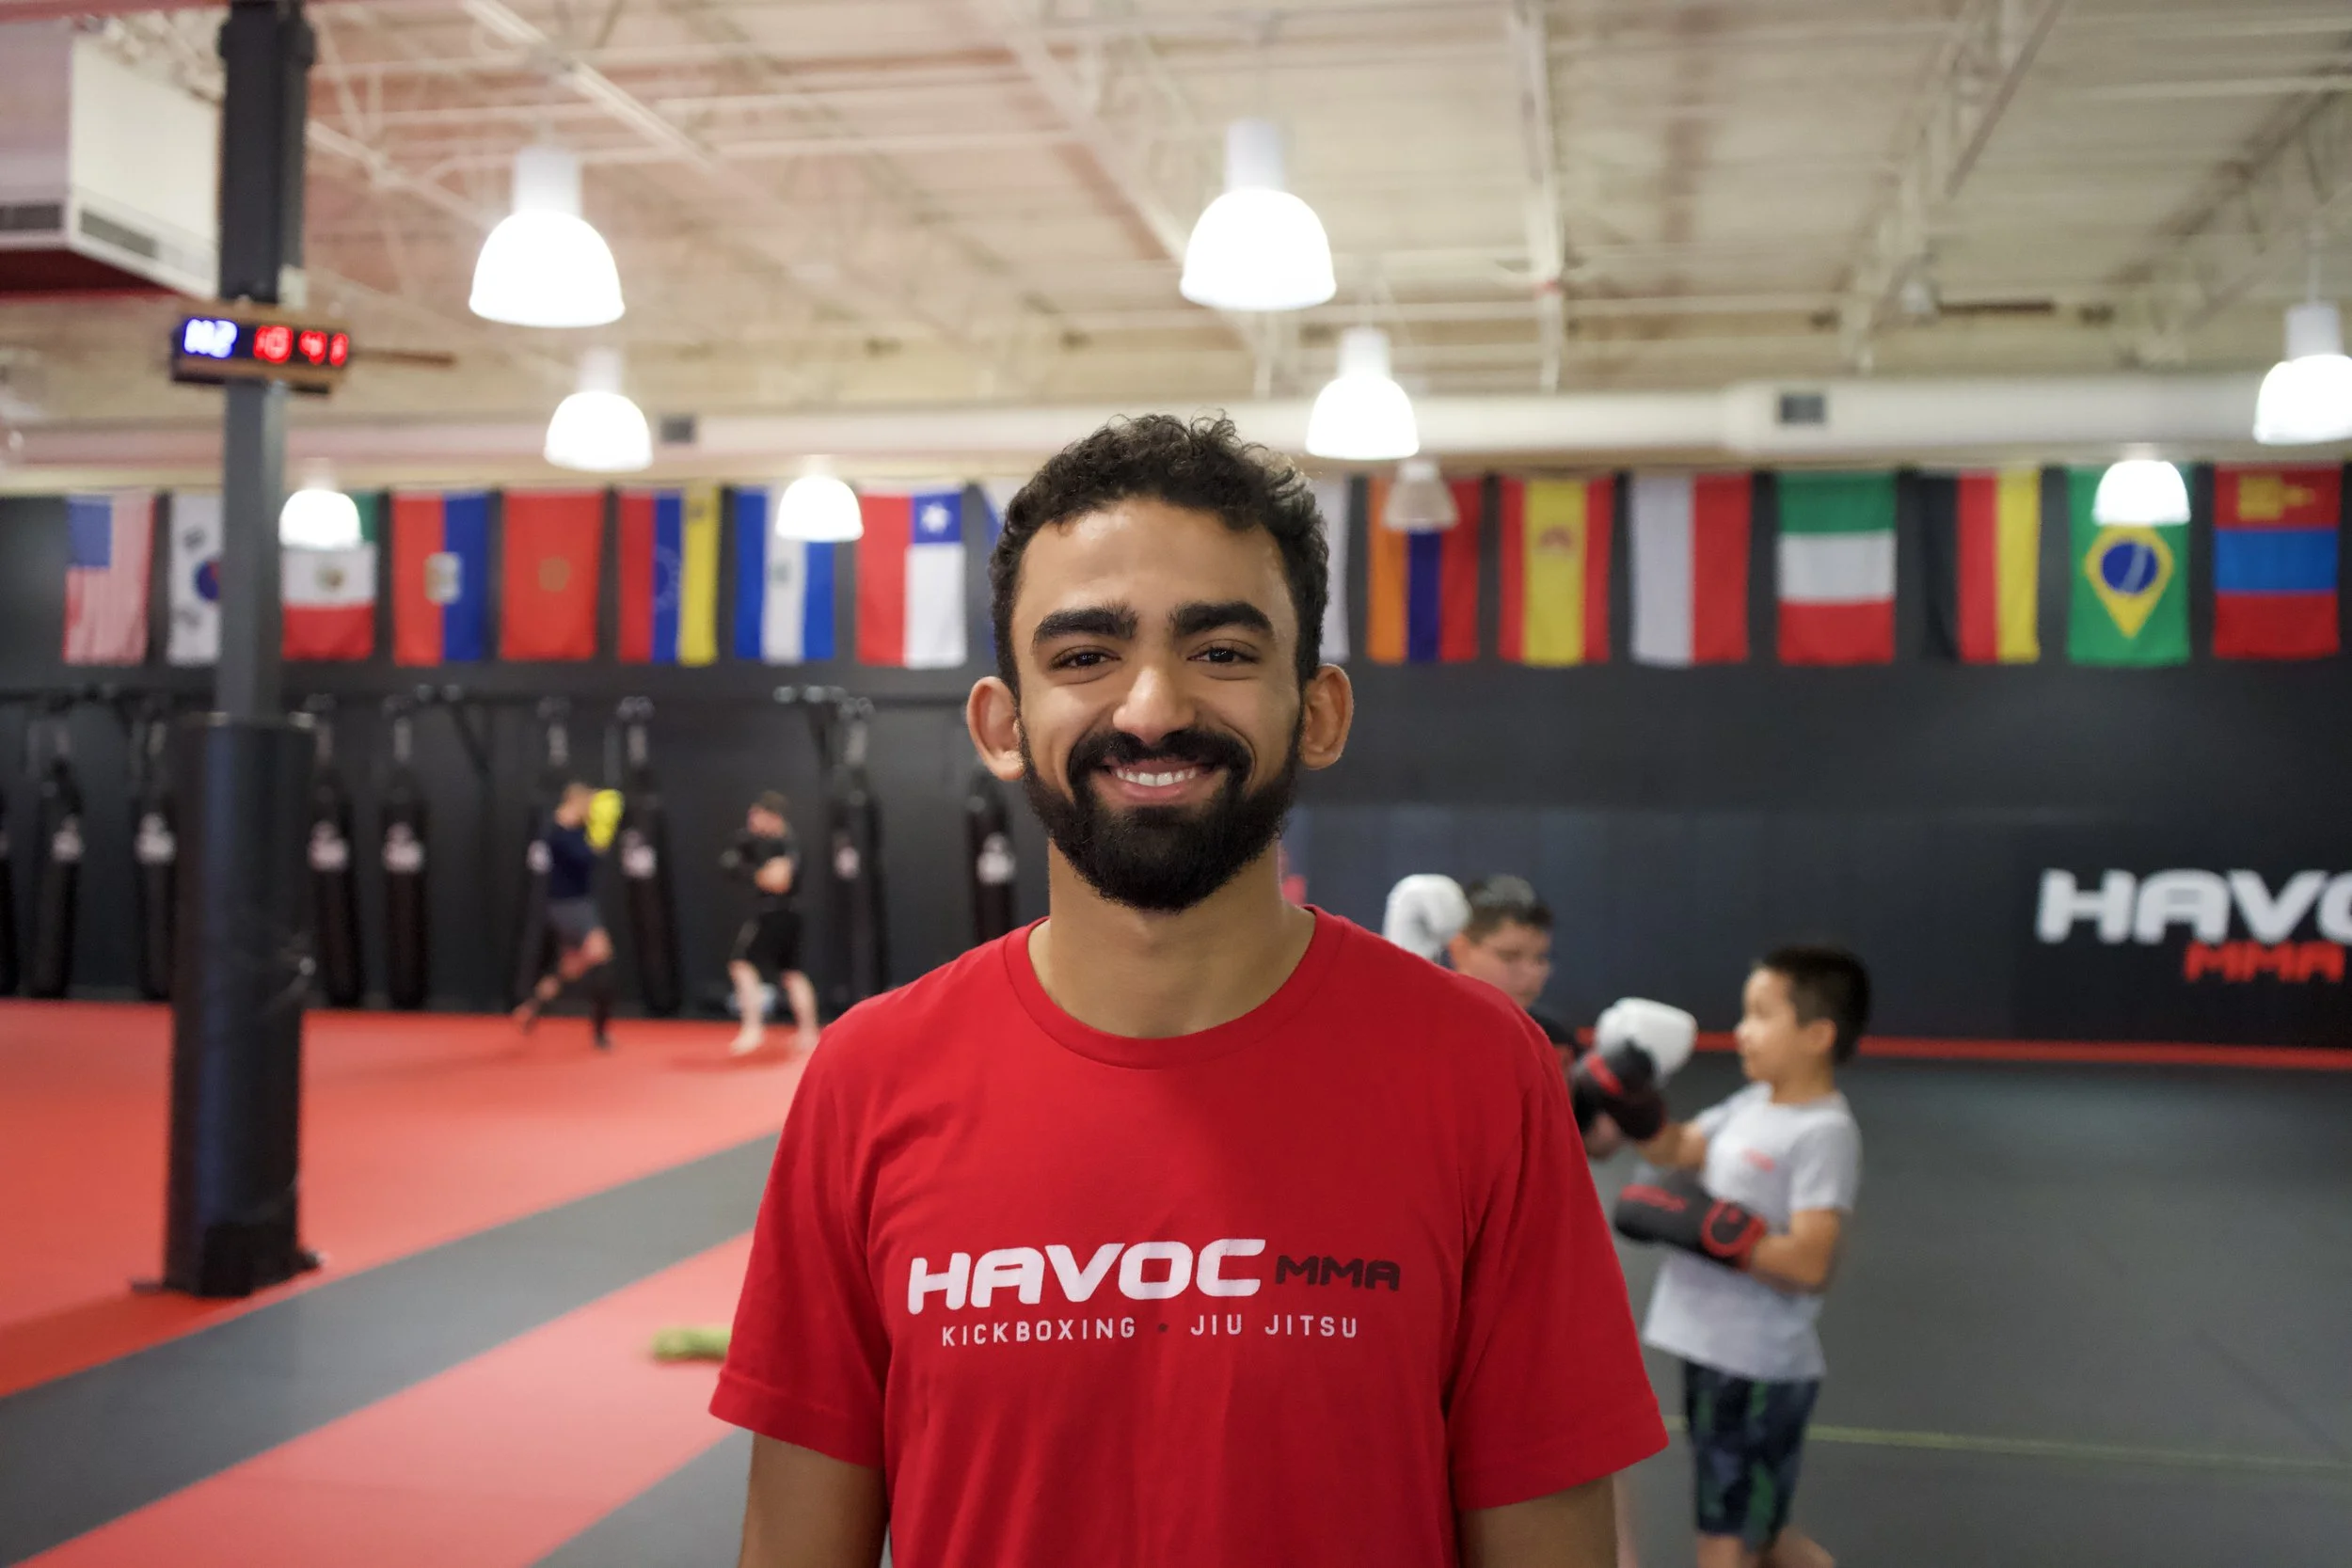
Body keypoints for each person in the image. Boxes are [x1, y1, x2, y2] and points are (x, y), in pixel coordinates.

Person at [715, 414, 1665, 1568]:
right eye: (1082, 657)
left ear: (1316, 710)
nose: (1152, 706)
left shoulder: (1480, 1069)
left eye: (1220, 651)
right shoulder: (869, 1078)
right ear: (1003, 726)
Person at [1609, 946, 1869, 1568]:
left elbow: (1811, 1262)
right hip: (1711, 1351)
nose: (1742, 1030)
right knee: (1764, 1531)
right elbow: (1676, 1148)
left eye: (1760, 1014)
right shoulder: (1749, 1104)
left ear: (1817, 1034)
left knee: (1725, 1542)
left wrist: (1718, 1231)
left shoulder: (1823, 1132)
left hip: (1757, 1367)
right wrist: (1629, 1092)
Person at [511, 780, 616, 1051]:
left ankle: (532, 1007)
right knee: (601, 955)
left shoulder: (573, 830)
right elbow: (586, 860)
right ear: (575, 803)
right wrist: (601, 839)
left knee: (572, 966)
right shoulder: (558, 833)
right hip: (570, 906)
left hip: (574, 904)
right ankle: (600, 1033)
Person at [723, 790, 819, 1057]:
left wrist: (752, 873)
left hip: (776, 914)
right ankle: (808, 1032)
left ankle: (753, 1028)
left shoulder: (785, 844)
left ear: (771, 817)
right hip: (786, 913)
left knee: (741, 963)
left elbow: (778, 881)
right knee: (791, 973)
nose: (752, 823)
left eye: (756, 817)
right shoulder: (768, 844)